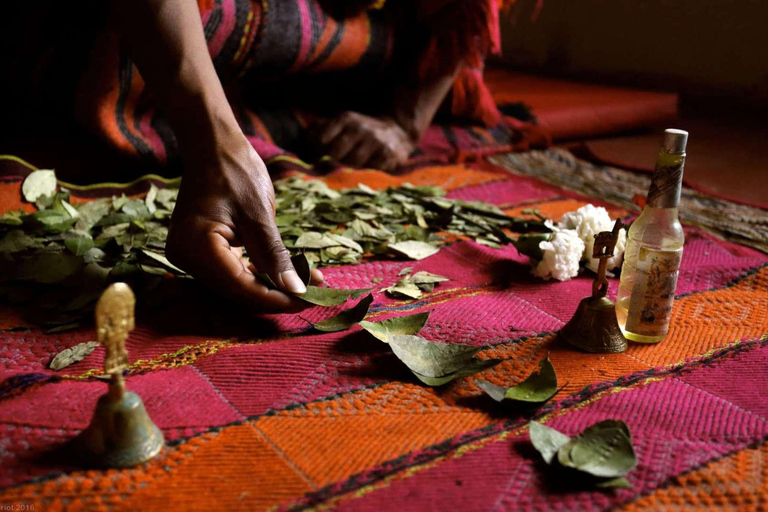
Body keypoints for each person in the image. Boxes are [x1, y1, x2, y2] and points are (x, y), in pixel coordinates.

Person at [3, 0, 505, 312]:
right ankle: (195, 100)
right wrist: (214, 142)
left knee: (378, 39)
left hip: (349, 40)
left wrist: (402, 125)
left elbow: (465, 15)